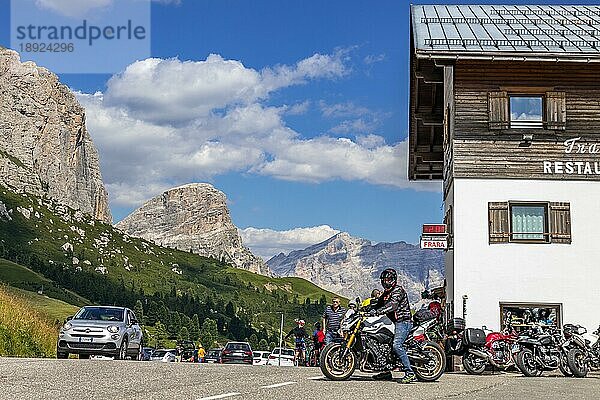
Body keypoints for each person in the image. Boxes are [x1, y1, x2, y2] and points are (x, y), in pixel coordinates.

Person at [367, 268, 416, 384]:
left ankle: (410, 373)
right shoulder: (386, 293)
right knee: (383, 344)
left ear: (393, 279)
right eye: (383, 280)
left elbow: (393, 305)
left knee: (396, 345)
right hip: (393, 322)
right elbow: (377, 304)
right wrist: (364, 309)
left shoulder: (398, 290)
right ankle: (386, 371)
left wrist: (379, 311)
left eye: (387, 279)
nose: (385, 282)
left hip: (403, 321)